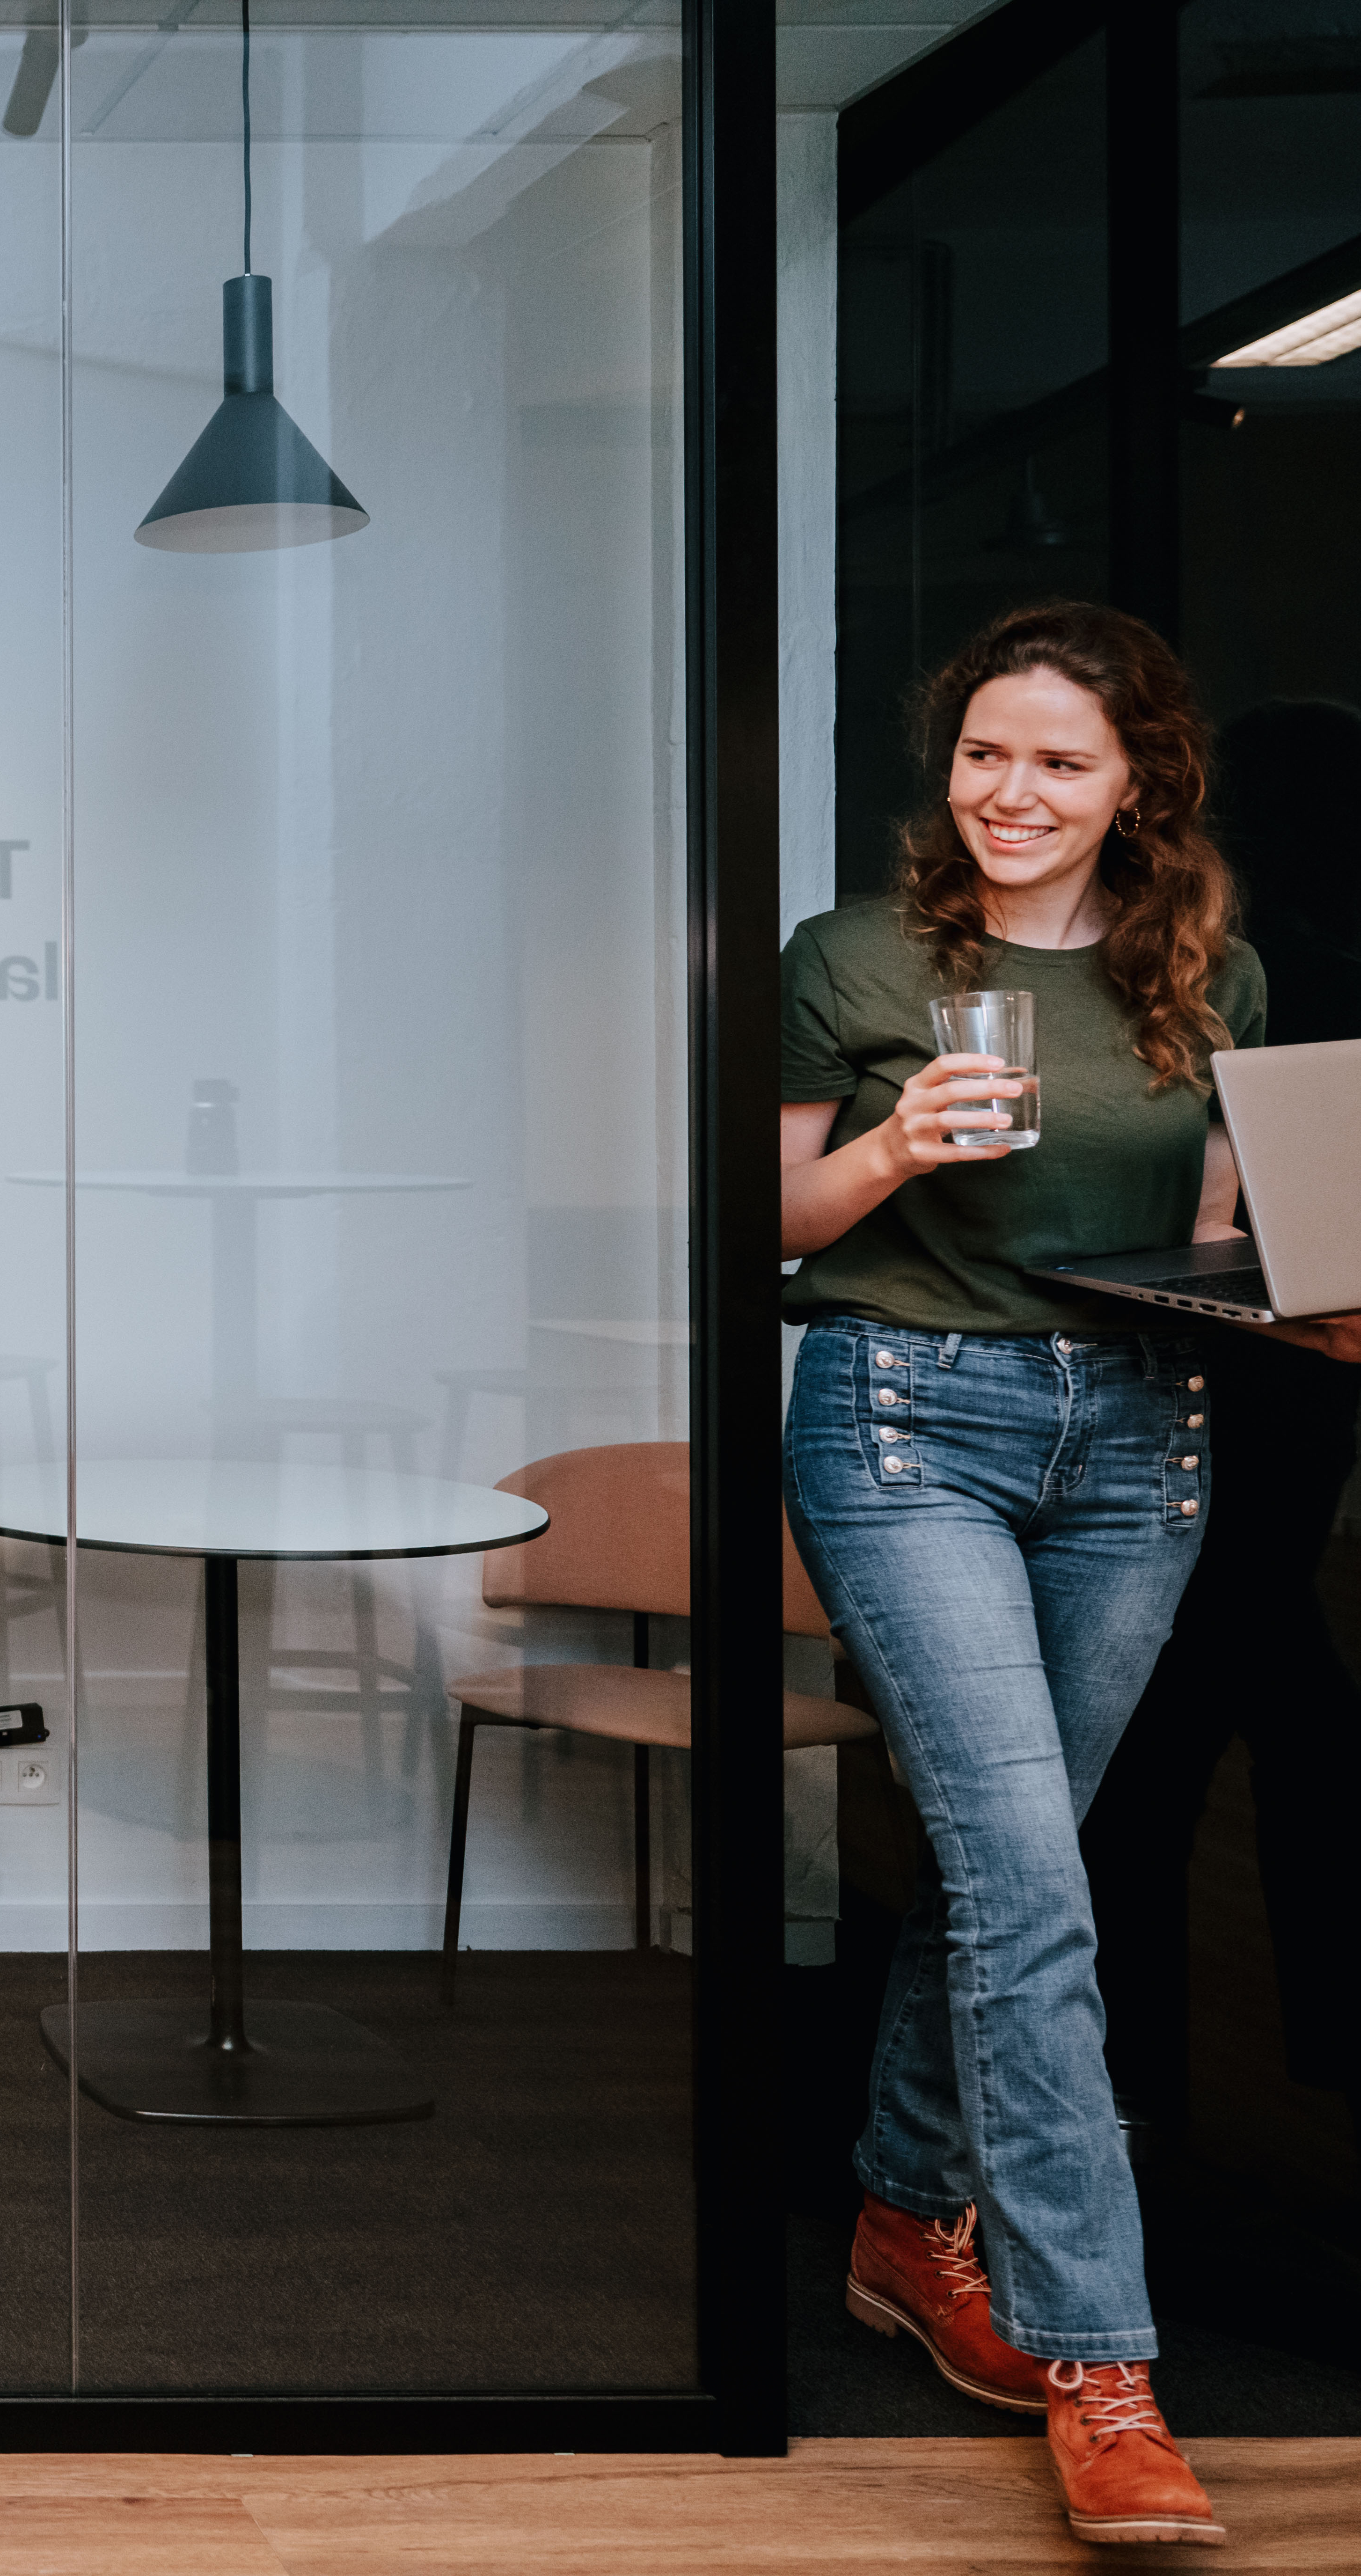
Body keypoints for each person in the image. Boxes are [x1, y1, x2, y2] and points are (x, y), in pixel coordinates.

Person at [780, 601, 1361, 2552]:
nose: (1010, 792)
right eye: (983, 754)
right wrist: (885, 1156)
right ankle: (1102, 2356)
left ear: (1139, 787)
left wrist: (1319, 1290)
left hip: (1141, 1436)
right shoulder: (852, 957)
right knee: (1036, 1883)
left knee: (1000, 1862)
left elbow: (1213, 1231)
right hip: (900, 1422)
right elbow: (769, 1209)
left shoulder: (1217, 970)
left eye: (1058, 761)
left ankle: (897, 2208)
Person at [1084, 697, 1361, 2135]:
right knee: (1267, 1696)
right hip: (1290, 1371)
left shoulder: (1220, 973)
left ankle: (1137, 2099)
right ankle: (1215, 2076)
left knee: (1177, 1722)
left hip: (1221, 1362)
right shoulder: (1253, 971)